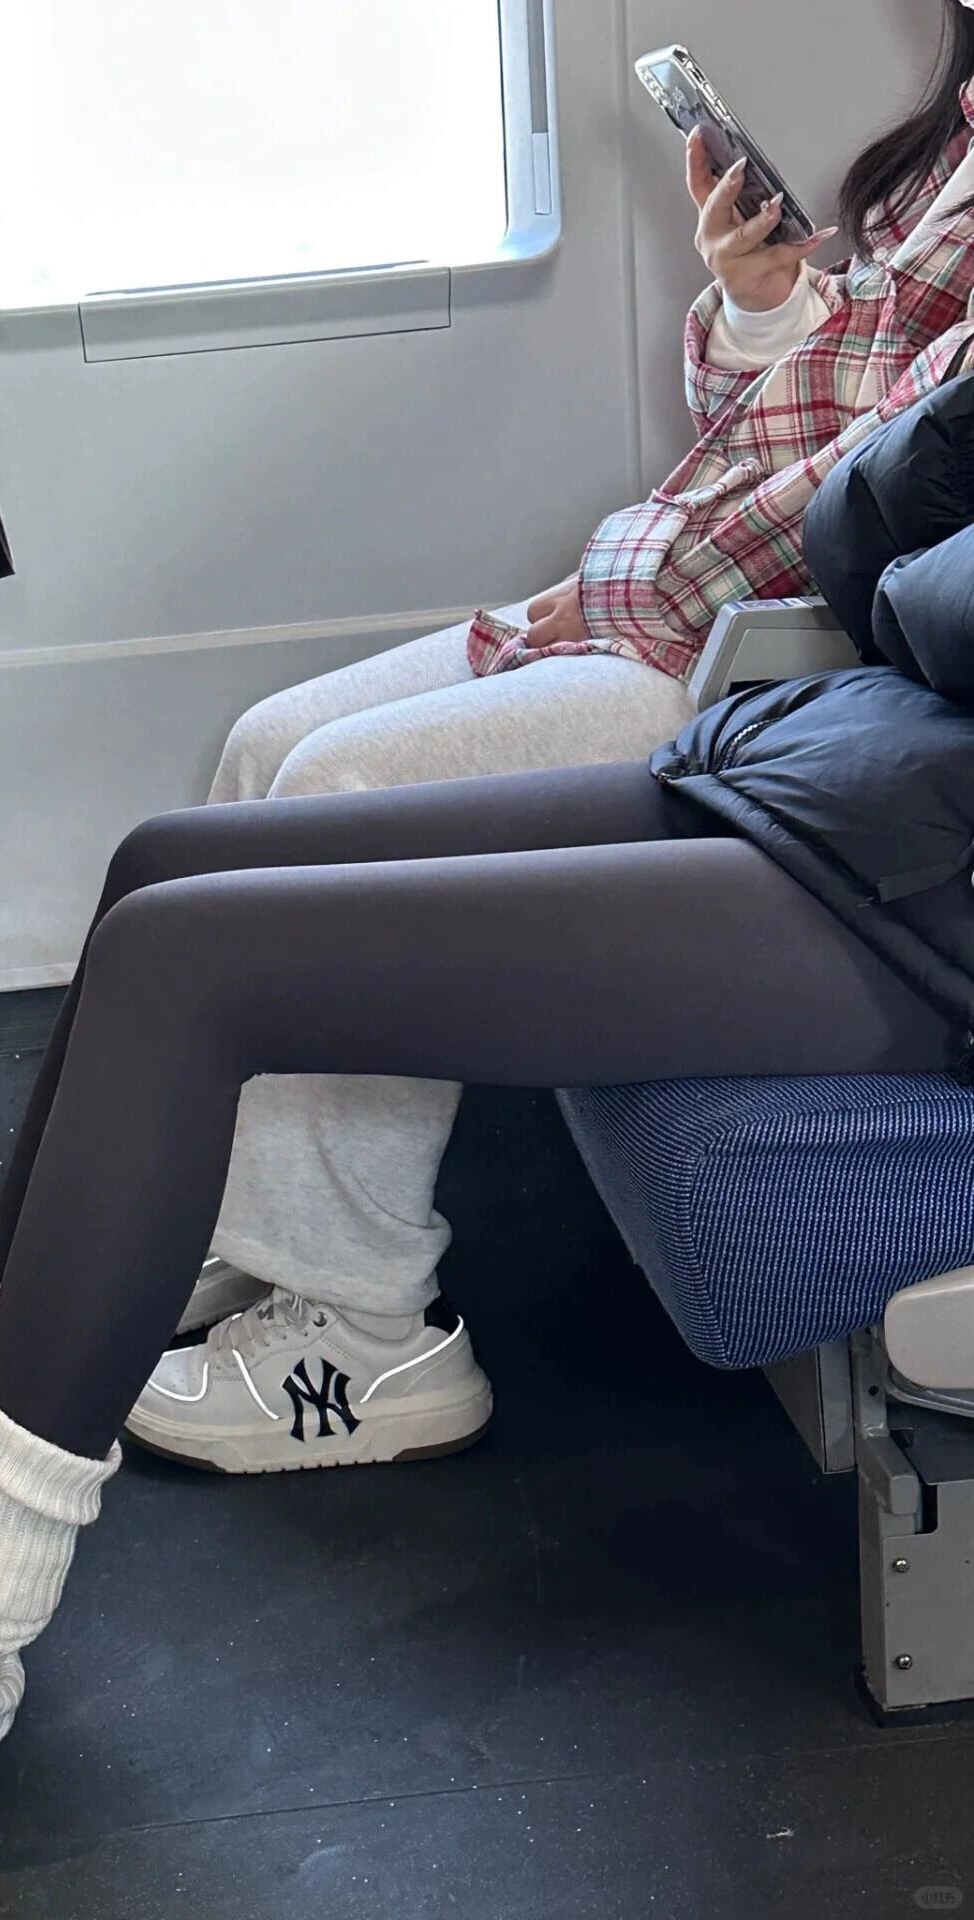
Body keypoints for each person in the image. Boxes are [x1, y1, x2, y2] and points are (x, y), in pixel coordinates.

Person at [0, 12, 974, 1890]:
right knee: (171, 873)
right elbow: (879, 522)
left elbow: (888, 568)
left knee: (199, 974)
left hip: (921, 878)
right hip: (854, 773)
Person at [180, 0, 974, 1404]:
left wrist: (636, 583)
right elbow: (827, 422)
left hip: (784, 679)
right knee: (264, 749)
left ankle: (358, 1341)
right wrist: (762, 301)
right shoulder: (952, 153)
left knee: (339, 795)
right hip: (697, 609)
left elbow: (868, 507)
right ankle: (250, 1228)